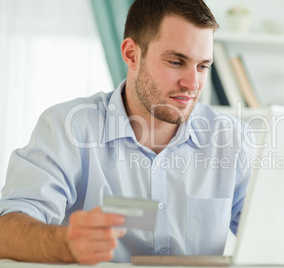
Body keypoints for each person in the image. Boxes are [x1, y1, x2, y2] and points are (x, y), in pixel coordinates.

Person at [0, 0, 255, 264]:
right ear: (132, 54)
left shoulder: (231, 140)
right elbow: (6, 229)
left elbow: (274, 233)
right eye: (176, 61)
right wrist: (64, 244)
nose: (192, 83)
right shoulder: (69, 127)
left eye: (203, 66)